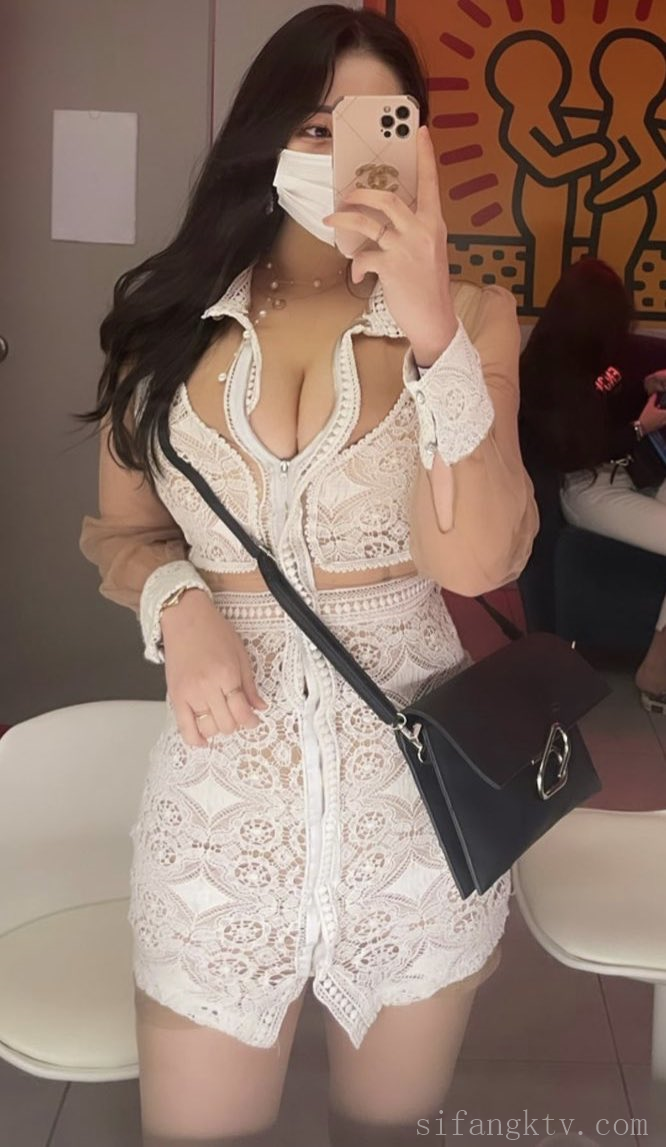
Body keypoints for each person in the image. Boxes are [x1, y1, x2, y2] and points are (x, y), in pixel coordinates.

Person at [77, 6, 537, 1144]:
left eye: (377, 125)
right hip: (222, 821)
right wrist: (180, 603)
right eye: (314, 125)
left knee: (386, 1131)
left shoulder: (476, 319)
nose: (339, 154)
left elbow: (480, 557)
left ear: (418, 144)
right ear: (265, 133)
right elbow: (123, 533)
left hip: (414, 821)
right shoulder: (164, 324)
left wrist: (432, 326)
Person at [519, 257, 666, 714]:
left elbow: (609, 398)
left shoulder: (603, 350)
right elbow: (570, 453)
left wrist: (648, 386)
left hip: (635, 470)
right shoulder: (544, 374)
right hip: (588, 488)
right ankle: (658, 666)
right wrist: (639, 429)